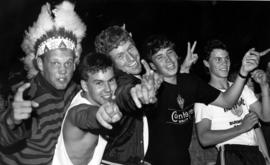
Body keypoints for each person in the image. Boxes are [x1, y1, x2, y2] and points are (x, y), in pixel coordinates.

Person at [141, 35, 260, 165]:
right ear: (152, 65)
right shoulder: (151, 89)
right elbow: (130, 98)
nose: (168, 60)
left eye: (170, 53)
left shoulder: (190, 83)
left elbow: (227, 101)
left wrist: (243, 72)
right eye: (160, 57)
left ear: (176, 55)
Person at [0, 1, 86, 164]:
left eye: (68, 63)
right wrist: (11, 120)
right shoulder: (29, 96)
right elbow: (4, 136)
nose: (63, 70)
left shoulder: (76, 91)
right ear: (40, 64)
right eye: (55, 63)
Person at [194, 39, 270, 165]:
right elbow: (204, 138)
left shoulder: (243, 88)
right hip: (231, 153)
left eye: (227, 58)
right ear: (206, 63)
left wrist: (264, 87)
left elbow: (266, 117)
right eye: (218, 59)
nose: (224, 63)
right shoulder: (204, 96)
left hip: (255, 152)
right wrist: (241, 128)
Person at [95, 25, 160, 165]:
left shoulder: (140, 78)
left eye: (130, 48)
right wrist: (137, 94)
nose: (131, 58)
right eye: (120, 55)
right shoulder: (119, 82)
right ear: (111, 65)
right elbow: (123, 94)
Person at [52, 52, 122, 165]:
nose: (108, 89)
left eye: (111, 81)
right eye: (99, 83)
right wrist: (99, 114)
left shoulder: (89, 96)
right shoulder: (77, 111)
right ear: (85, 86)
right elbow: (83, 115)